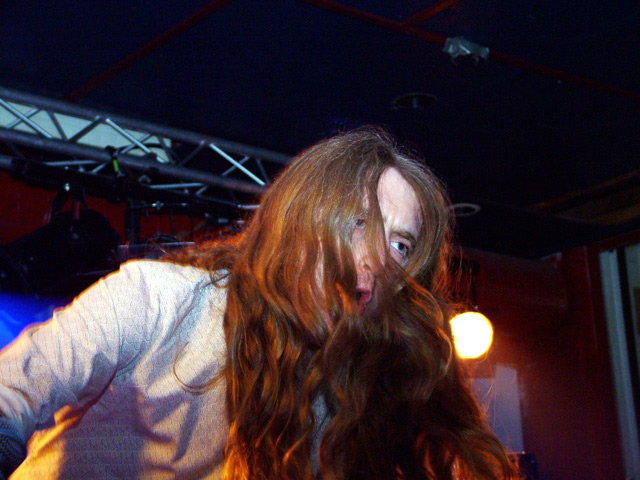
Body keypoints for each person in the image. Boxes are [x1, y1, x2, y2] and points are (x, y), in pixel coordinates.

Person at [0, 128, 517, 479]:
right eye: (358, 222)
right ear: (297, 221)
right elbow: (14, 390)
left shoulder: (353, 390)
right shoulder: (159, 299)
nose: (379, 258)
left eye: (401, 245)